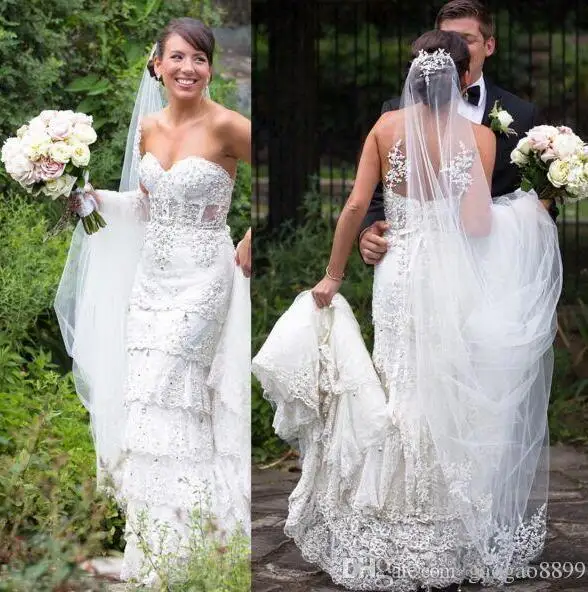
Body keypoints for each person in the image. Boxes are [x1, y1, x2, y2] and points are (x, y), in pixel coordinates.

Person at [253, 30, 562, 592]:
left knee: (396, 377)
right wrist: (527, 210)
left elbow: (353, 205)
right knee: (443, 380)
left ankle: (386, 512)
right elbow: (475, 225)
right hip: (451, 276)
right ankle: (440, 518)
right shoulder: (477, 138)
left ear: (414, 75)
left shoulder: (385, 128)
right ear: (464, 79)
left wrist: (333, 274)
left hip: (396, 272)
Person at [54, 18, 251, 584]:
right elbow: (147, 205)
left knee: (176, 392)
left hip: (203, 279)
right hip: (152, 282)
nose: (190, 68)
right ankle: (154, 550)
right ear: (158, 65)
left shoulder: (230, 126)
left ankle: (198, 543)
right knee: (145, 401)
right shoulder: (148, 127)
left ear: (210, 68)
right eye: (179, 58)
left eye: (200, 59)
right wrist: (91, 200)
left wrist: (250, 237)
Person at [359, 0, 554, 266]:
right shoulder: (395, 112)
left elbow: (539, 200)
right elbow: (376, 194)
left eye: (466, 40)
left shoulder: (523, 115)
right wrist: (368, 232)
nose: (455, 51)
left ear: (489, 46)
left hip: (495, 269)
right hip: (415, 266)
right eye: (449, 40)